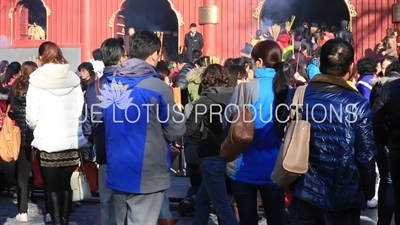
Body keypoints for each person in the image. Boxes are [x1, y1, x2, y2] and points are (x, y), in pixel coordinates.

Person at [280, 38, 376, 225]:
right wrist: (368, 191)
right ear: (350, 68)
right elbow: (366, 154)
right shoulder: (358, 104)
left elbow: (280, 135)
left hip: (304, 189)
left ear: (320, 64)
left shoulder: (297, 95)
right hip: (344, 192)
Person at [102, 30, 185, 225]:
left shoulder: (110, 85)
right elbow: (175, 130)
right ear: (155, 54)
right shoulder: (158, 88)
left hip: (117, 168)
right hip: (146, 173)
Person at [26, 41, 87, 225]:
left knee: (51, 188)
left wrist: (37, 127)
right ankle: (65, 221)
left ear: (41, 57)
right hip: (70, 142)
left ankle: (56, 222)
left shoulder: (36, 80)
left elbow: (31, 116)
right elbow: (80, 111)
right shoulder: (73, 79)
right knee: (66, 186)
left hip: (48, 142)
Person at [226, 40, 286, 225]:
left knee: (247, 220)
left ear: (259, 61)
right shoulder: (287, 91)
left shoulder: (243, 89)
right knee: (277, 219)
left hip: (244, 166)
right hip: (275, 167)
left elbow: (228, 122)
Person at [83, 37, 128, 225]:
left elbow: (86, 124)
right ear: (120, 57)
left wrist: (93, 139)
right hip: (127, 150)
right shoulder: (129, 84)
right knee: (125, 203)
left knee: (106, 201)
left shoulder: (93, 88)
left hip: (103, 150)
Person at [186, 64, 238, 225]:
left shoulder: (205, 100)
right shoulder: (236, 96)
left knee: (221, 205)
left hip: (211, 155)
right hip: (232, 153)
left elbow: (189, 129)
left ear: (205, 80)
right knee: (202, 199)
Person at [8, 61, 37, 222]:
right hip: (38, 136)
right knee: (43, 174)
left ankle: (23, 210)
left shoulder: (15, 89)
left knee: (22, 176)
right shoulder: (38, 89)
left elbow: (11, 111)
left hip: (20, 137)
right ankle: (48, 211)